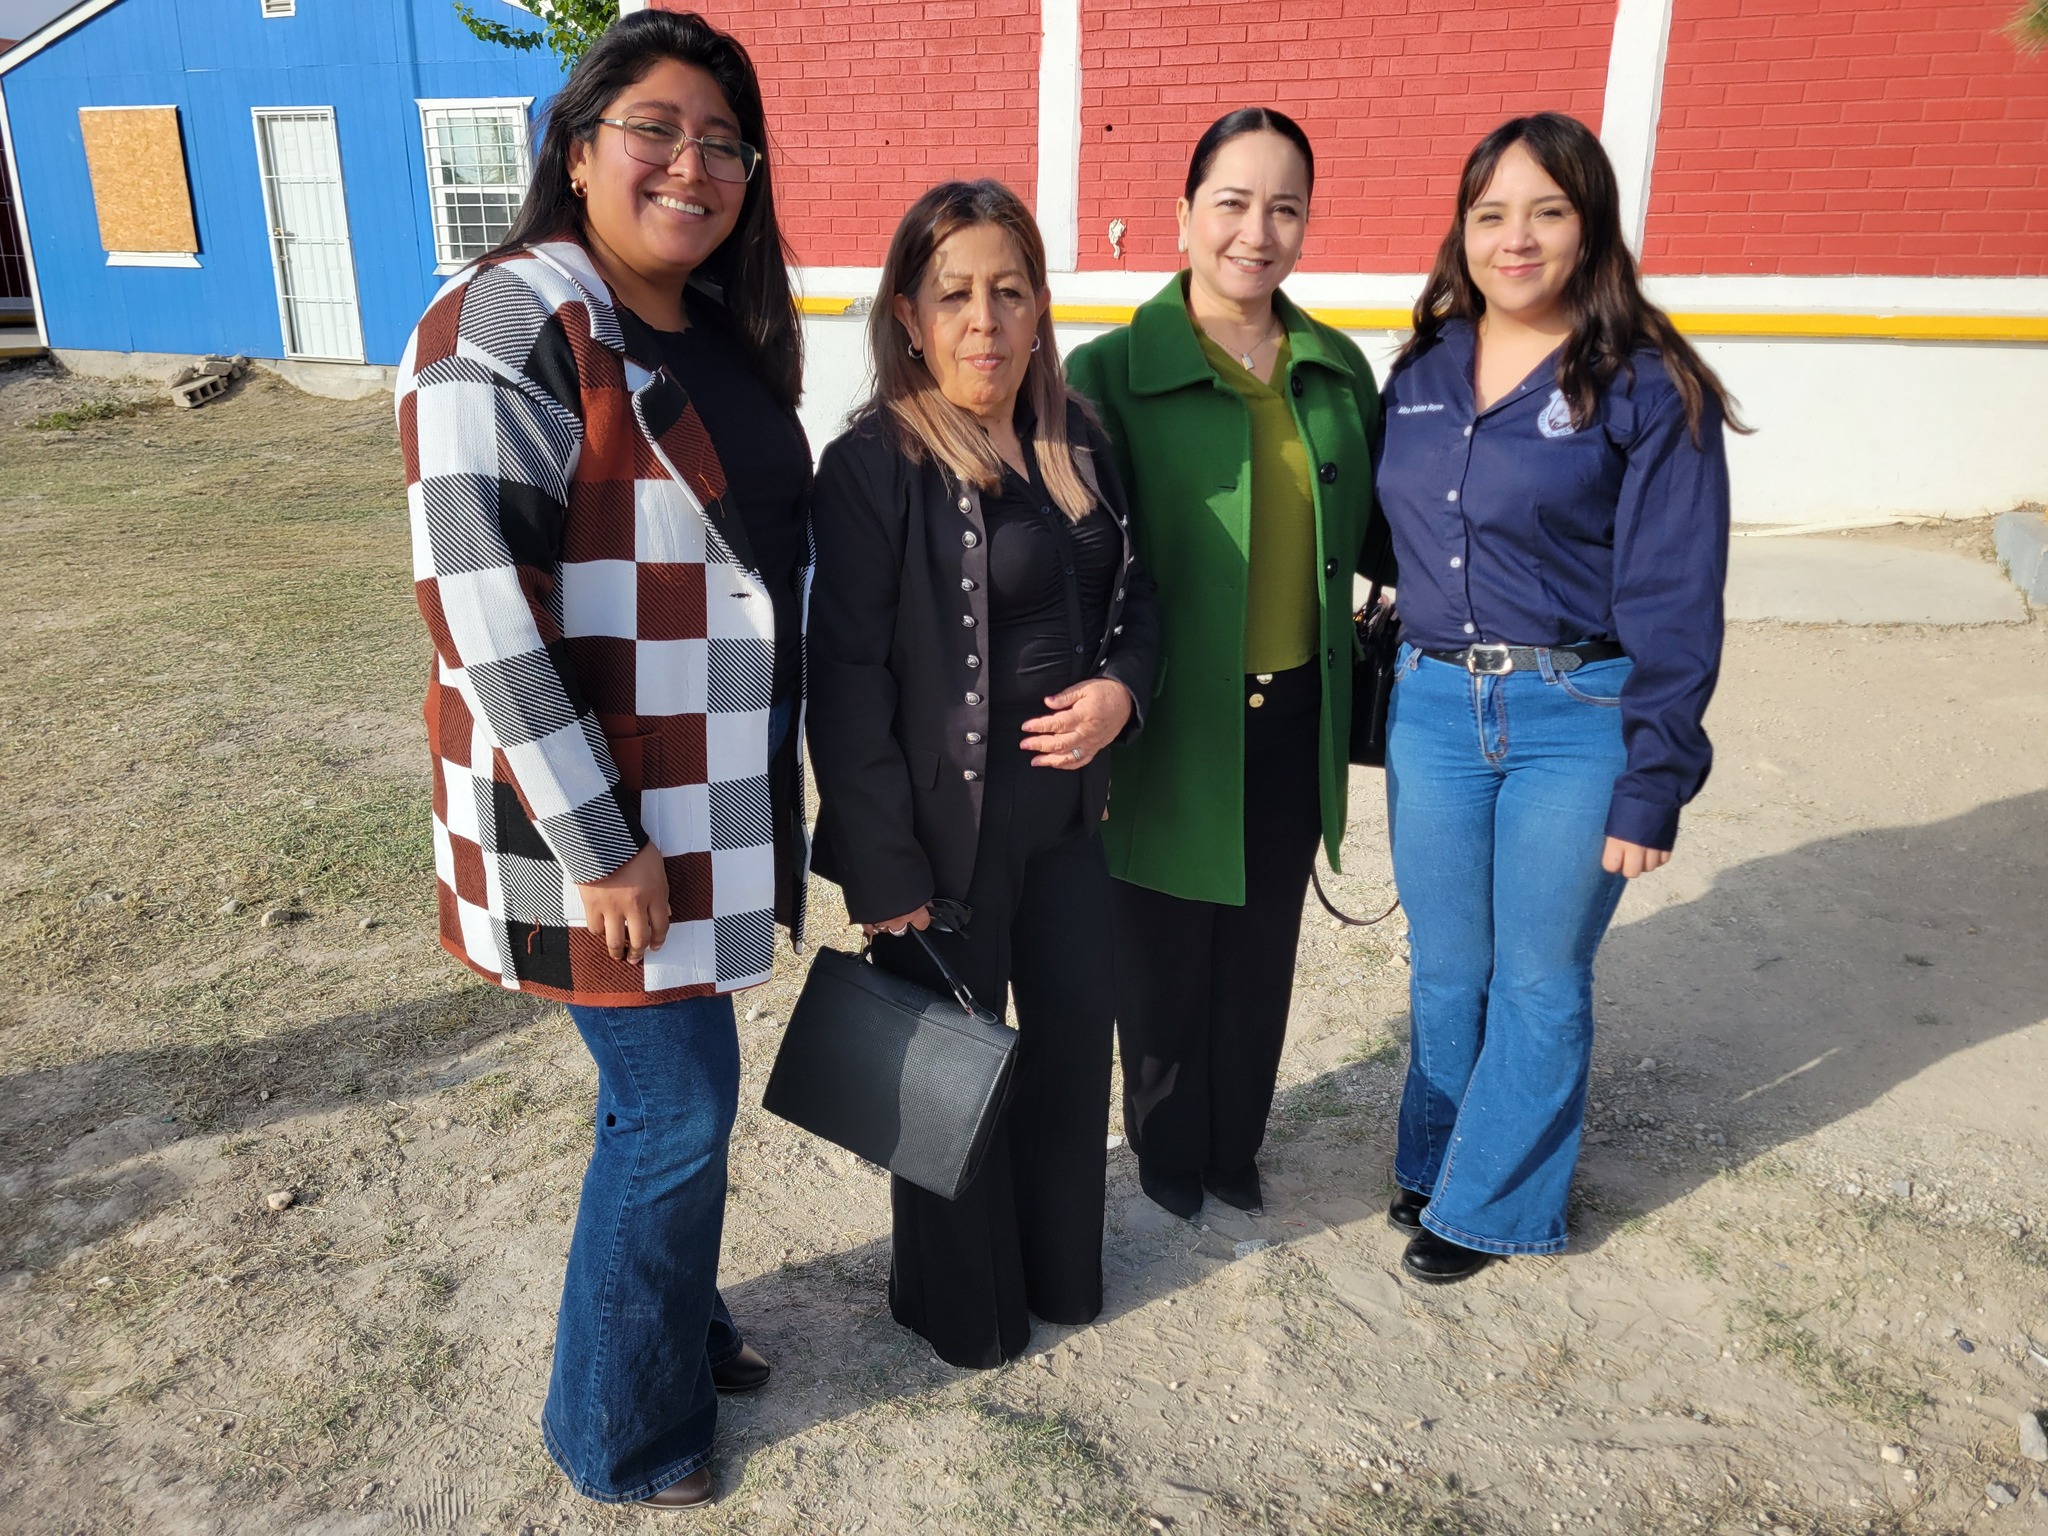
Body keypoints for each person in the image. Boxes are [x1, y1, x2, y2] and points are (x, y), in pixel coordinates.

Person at [395, 11, 808, 1508]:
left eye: (723, 142)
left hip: (706, 795)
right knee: (673, 1106)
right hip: (605, 824)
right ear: (576, 151)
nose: (691, 165)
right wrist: (600, 845)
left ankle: (678, 1326)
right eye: (655, 128)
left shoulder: (707, 325)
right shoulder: (503, 321)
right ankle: (619, 1431)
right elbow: (480, 606)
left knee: (684, 1091)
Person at [1375, 112, 1739, 1284]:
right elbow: (1394, 535)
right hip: (1432, 710)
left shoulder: (1646, 386)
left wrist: (1653, 780)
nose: (1513, 238)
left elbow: (1676, 595)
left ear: (1589, 228)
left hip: (1572, 718)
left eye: (1545, 211)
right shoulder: (1423, 370)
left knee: (1537, 974)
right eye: (1489, 214)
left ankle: (1491, 1207)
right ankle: (1436, 1162)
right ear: (1461, 231)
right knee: (1445, 964)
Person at [807, 179, 1159, 1369]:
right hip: (940, 840)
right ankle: (960, 1308)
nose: (984, 321)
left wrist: (1121, 694)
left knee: (1067, 1057)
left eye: (1008, 292)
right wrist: (880, 866)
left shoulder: (1077, 440)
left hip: (1067, 821)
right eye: (953, 294)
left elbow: (1138, 603)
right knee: (949, 1082)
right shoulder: (871, 465)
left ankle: (1060, 1274)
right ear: (906, 312)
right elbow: (845, 678)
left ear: (1041, 304)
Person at [1065, 109, 1393, 1221]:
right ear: (1183, 214)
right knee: (1158, 955)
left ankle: (1230, 1144)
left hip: (1294, 711)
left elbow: (1391, 539)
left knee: (1258, 950)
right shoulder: (1104, 373)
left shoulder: (1334, 369)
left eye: (1285, 207)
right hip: (1158, 716)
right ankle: (1163, 1146)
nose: (1257, 232)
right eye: (1232, 202)